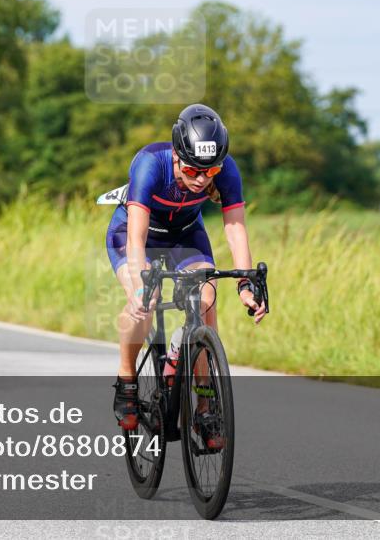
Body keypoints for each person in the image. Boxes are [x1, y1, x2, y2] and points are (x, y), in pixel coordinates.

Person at [106, 103, 266, 433]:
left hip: (185, 235)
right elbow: (136, 237)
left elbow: (235, 228)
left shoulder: (227, 169)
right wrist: (139, 285)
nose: (202, 179)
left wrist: (245, 285)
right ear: (177, 156)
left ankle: (205, 405)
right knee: (146, 302)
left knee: (206, 299)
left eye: (211, 171)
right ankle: (127, 379)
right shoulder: (151, 163)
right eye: (193, 171)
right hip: (135, 234)